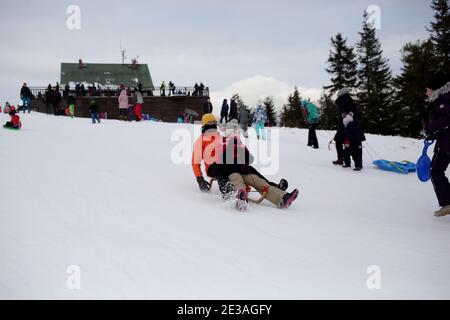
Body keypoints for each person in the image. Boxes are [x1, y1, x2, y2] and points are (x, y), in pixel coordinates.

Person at [217, 120, 299, 209]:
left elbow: (250, 159)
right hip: (231, 171)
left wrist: (241, 150)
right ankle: (241, 198)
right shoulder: (222, 143)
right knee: (238, 181)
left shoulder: (240, 144)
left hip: (244, 171)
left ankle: (283, 198)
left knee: (259, 182)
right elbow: (220, 160)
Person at [424, 69, 450, 217]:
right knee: (436, 170)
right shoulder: (441, 100)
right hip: (444, 142)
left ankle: (447, 203)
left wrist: (430, 128)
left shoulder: (444, 101)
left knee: (436, 170)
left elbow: (446, 119)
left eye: (428, 90)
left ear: (436, 89)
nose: (426, 93)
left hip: (447, 145)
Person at [333, 88, 363, 165]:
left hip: (346, 125)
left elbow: (344, 113)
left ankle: (341, 159)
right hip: (354, 125)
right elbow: (355, 113)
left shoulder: (343, 100)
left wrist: (343, 118)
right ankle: (357, 162)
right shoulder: (350, 100)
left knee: (339, 141)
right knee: (353, 142)